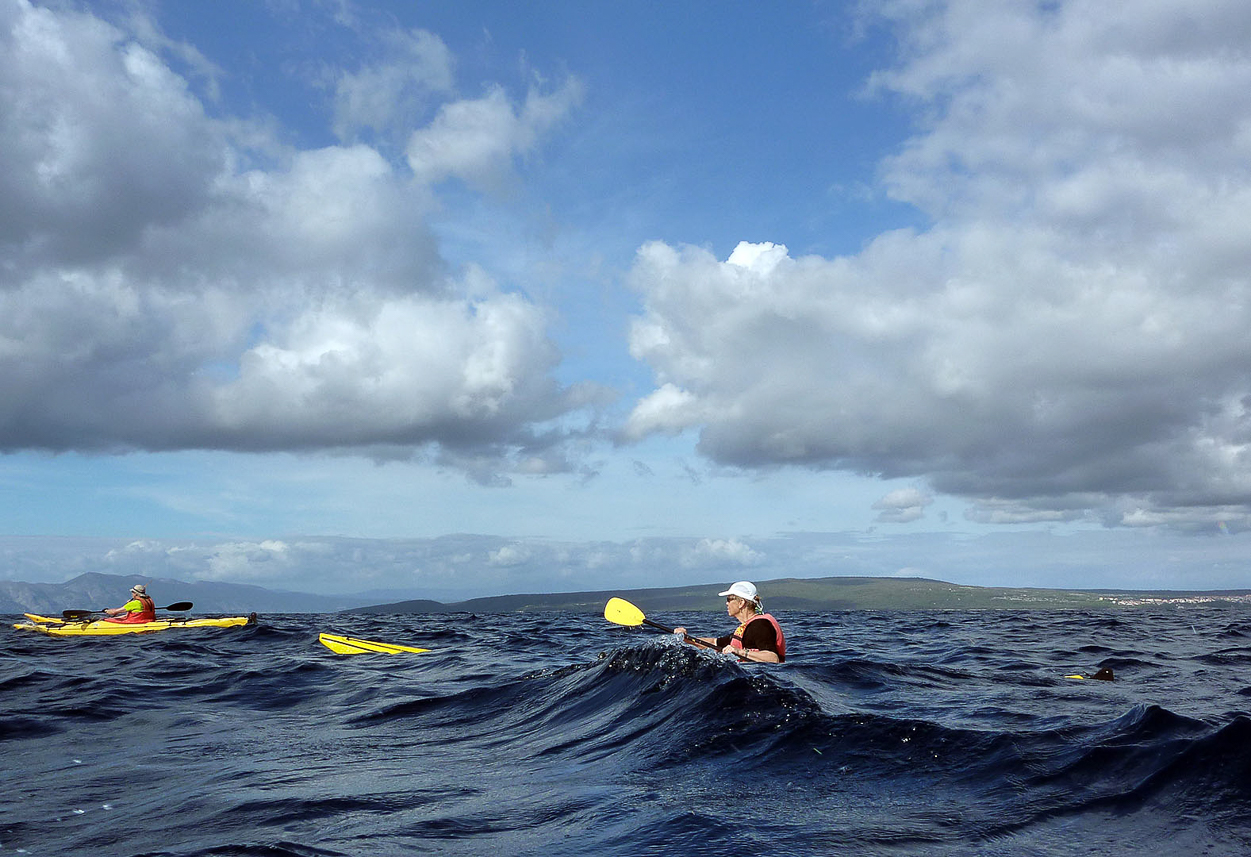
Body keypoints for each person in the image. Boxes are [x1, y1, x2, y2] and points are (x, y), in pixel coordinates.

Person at [673, 581, 786, 663]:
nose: (726, 603)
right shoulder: (748, 627)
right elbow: (714, 643)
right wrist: (686, 639)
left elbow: (772, 658)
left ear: (741, 603)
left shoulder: (760, 626)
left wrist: (738, 651)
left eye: (729, 600)